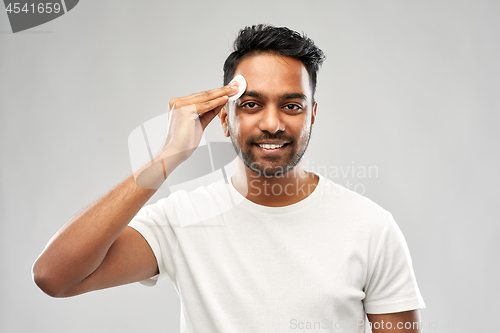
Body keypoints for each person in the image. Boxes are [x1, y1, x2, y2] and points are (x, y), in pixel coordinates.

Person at [33, 24, 425, 332]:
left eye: (291, 105)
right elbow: (54, 277)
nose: (272, 123)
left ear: (312, 115)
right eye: (252, 105)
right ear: (224, 116)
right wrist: (168, 156)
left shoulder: (371, 227)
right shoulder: (182, 220)